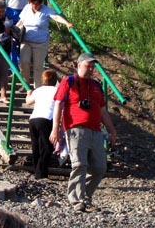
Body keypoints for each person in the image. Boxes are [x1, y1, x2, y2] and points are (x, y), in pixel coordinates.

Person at [50, 53, 117, 213]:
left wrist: (112, 130)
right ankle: (76, 200)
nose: (91, 69)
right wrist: (55, 128)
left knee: (100, 167)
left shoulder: (96, 86)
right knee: (79, 164)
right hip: (75, 129)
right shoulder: (69, 81)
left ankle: (85, 197)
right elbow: (59, 104)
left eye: (93, 66)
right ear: (78, 65)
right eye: (88, 65)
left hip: (95, 131)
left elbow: (102, 111)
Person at [16, 0, 73, 88]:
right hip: (26, 41)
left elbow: (56, 17)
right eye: (32, 4)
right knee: (24, 62)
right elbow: (21, 21)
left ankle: (37, 88)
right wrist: (14, 29)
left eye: (36, 4)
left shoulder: (46, 10)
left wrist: (67, 23)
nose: (34, 6)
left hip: (40, 43)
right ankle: (26, 85)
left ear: (40, 3)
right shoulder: (27, 8)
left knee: (38, 67)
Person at [25, 69, 60, 178]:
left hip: (33, 119)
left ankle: (37, 170)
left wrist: (28, 93)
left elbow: (28, 102)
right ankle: (41, 173)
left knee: (36, 146)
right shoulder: (57, 90)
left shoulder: (38, 90)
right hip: (47, 118)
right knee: (46, 147)